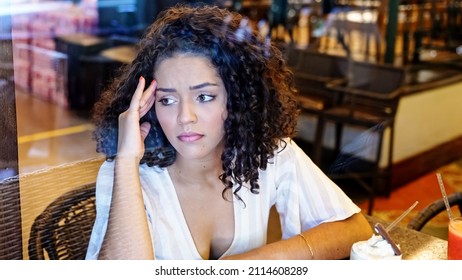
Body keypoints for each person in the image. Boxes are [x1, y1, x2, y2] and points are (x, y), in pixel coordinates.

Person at [86, 4, 372, 260]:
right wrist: (125, 161)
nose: (185, 118)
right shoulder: (126, 172)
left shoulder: (266, 153)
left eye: (204, 97)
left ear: (236, 99)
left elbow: (355, 229)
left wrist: (251, 263)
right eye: (167, 100)